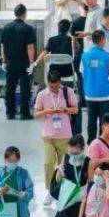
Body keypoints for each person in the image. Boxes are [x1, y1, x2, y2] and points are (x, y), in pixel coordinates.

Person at [33, 70, 78, 204]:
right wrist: (46, 111)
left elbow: (75, 109)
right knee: (48, 163)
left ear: (60, 82)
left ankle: (63, 190)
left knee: (64, 166)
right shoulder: (42, 94)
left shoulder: (68, 92)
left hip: (65, 135)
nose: (53, 89)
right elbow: (36, 114)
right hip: (48, 136)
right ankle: (50, 191)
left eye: (56, 86)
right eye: (51, 86)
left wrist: (65, 110)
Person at [0, 3, 37, 120]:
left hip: (10, 62)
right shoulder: (28, 28)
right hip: (23, 62)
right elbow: (30, 47)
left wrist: (4, 61)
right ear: (25, 14)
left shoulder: (6, 28)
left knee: (10, 88)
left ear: (15, 14)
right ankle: (24, 113)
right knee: (25, 88)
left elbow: (3, 46)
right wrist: (31, 63)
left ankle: (10, 113)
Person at [80, 30, 109, 141]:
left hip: (90, 94)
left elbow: (82, 73)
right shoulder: (108, 56)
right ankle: (103, 142)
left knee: (91, 120)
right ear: (103, 40)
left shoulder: (84, 56)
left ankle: (91, 143)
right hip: (105, 94)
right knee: (104, 121)